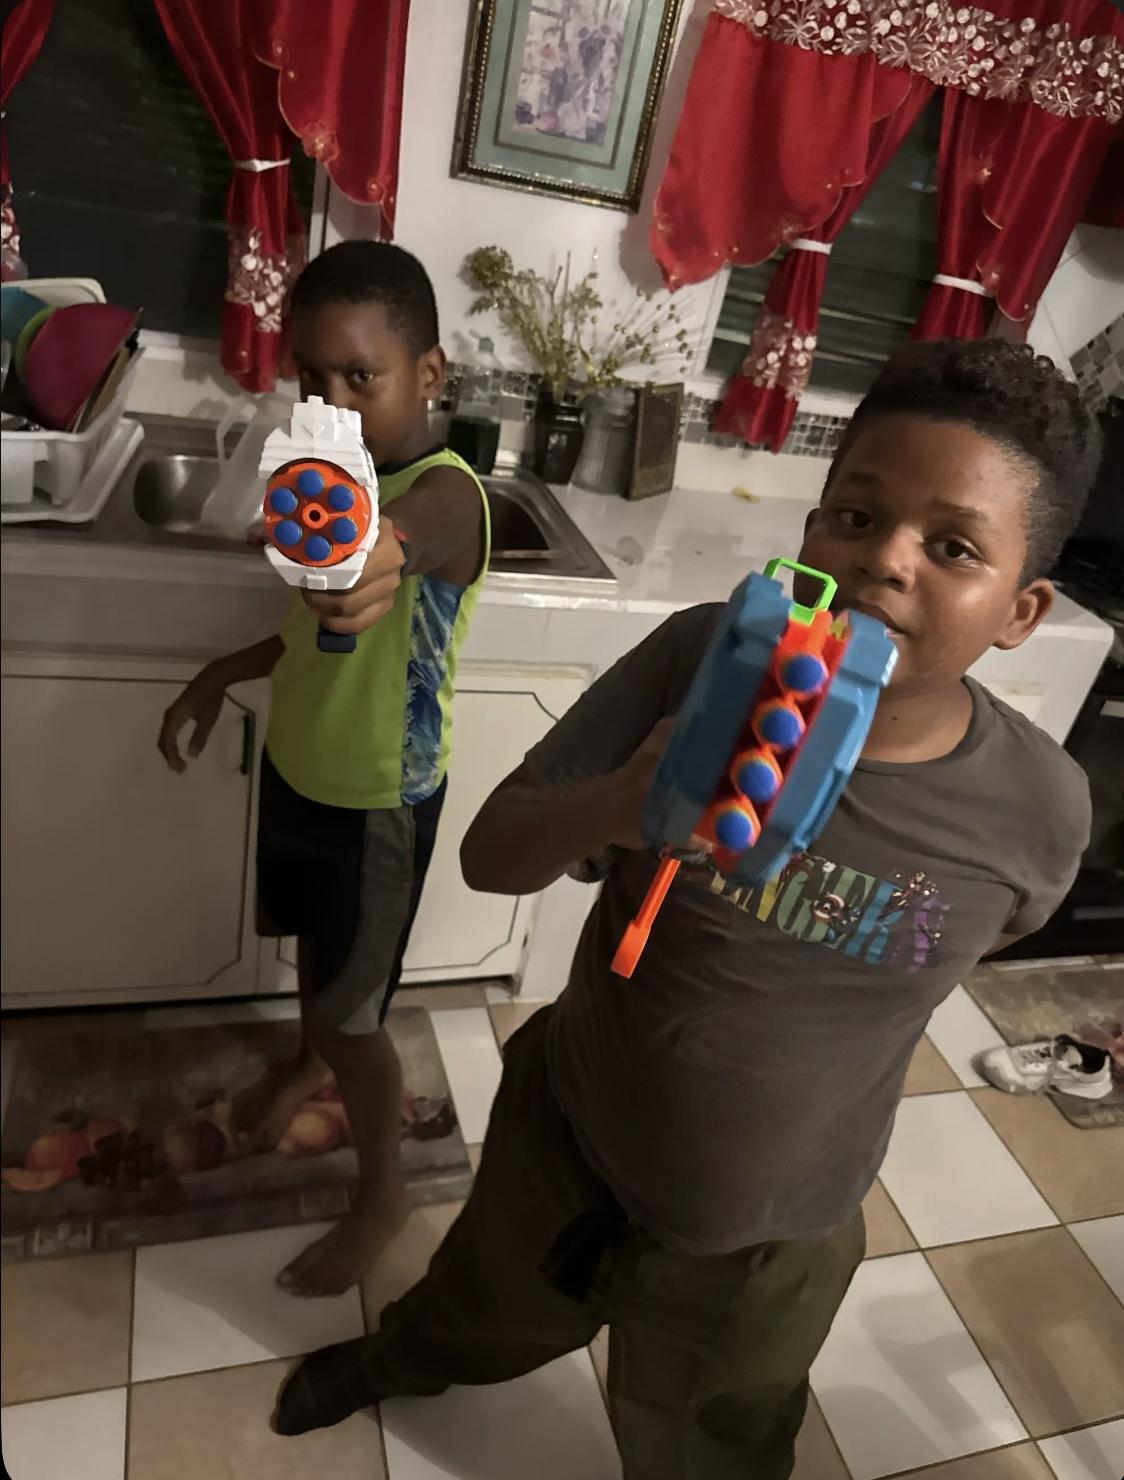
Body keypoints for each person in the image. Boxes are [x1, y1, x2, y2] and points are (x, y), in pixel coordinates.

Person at [273, 339, 1099, 1475]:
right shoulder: (702, 658)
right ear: (812, 526)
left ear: (1020, 609)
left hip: (770, 1231)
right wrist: (623, 802)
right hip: (566, 1134)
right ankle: (403, 1357)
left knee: (713, 1436)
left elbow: (989, 934)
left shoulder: (1037, 808)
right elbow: (491, 857)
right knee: (477, 1302)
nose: (884, 561)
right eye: (856, 517)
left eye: (952, 546)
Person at [158, 241, 490, 1297]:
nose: (332, 401)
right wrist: (220, 671)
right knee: (316, 955)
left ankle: (383, 1193)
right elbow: (310, 634)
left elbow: (415, 539)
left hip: (380, 803)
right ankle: (306, 1061)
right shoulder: (332, 484)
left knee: (357, 1016)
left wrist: (375, 553)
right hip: (299, 770)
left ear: (428, 375)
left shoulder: (447, 495)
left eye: (360, 375)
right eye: (311, 376)